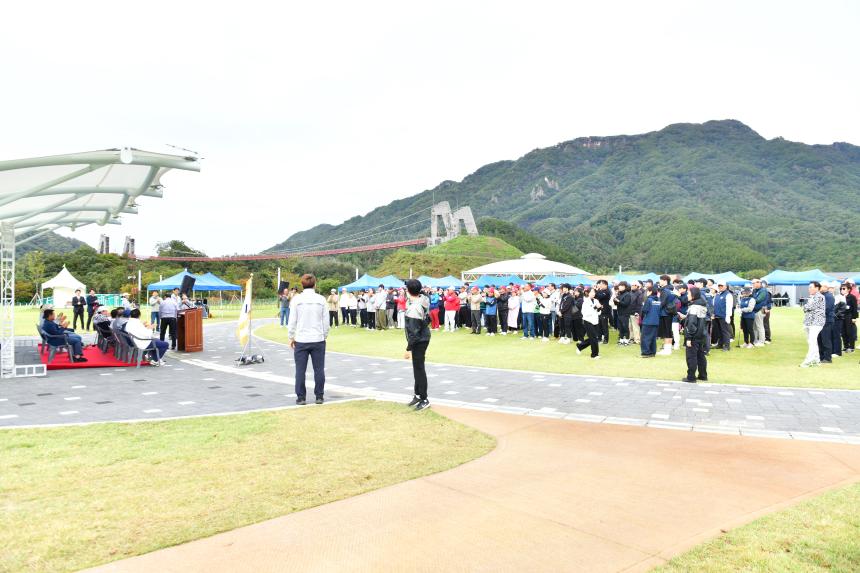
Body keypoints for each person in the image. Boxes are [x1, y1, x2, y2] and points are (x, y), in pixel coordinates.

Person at [288, 274, 330, 405]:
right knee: (319, 369)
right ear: (315, 284)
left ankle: (301, 397)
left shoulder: (296, 300)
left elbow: (292, 320)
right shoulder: (321, 299)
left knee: (300, 370)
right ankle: (319, 396)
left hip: (301, 339)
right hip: (318, 339)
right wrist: (324, 335)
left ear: (302, 284)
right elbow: (326, 321)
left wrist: (291, 336)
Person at [402, 278, 431, 411]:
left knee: (419, 369)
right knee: (417, 368)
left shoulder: (414, 307)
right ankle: (418, 394)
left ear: (408, 290)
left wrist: (408, 349)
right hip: (423, 336)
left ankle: (424, 398)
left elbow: (414, 332)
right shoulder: (423, 298)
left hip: (419, 339)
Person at [681, 287, 708, 383]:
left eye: (688, 294)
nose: (687, 296)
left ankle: (691, 377)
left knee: (691, 357)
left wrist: (689, 337)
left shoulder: (693, 307)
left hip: (694, 336)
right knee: (701, 356)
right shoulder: (703, 306)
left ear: (693, 295)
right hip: (702, 335)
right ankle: (703, 375)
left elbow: (692, 324)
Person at [801, 281, 826, 367]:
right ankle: (816, 360)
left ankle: (809, 360)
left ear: (817, 288)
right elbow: (806, 308)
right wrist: (806, 307)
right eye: (809, 287)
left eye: (811, 287)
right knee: (812, 342)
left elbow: (809, 307)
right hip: (809, 322)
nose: (809, 289)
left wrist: (806, 307)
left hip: (816, 322)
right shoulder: (812, 297)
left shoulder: (820, 297)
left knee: (812, 341)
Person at [576, 287, 601, 359]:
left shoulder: (596, 300)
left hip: (595, 321)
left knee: (593, 337)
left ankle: (580, 346)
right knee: (594, 338)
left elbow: (599, 312)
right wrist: (594, 307)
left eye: (594, 292)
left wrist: (599, 308)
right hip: (588, 321)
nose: (593, 293)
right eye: (592, 292)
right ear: (588, 293)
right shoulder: (585, 301)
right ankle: (594, 354)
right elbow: (584, 313)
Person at [657, 275, 677, 355]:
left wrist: (656, 309)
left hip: (665, 313)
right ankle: (667, 348)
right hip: (669, 312)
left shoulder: (665, 290)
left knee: (666, 332)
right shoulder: (671, 289)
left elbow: (662, 302)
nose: (659, 282)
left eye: (660, 280)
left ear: (665, 281)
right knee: (668, 331)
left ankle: (667, 349)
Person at [712, 280, 734, 351]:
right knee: (719, 331)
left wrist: (728, 316)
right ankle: (720, 344)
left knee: (725, 332)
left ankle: (727, 346)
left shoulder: (728, 294)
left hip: (724, 316)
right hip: (717, 315)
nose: (720, 287)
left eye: (721, 286)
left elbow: (729, 306)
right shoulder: (717, 294)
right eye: (719, 286)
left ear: (725, 286)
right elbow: (714, 305)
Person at [640, 286, 661, 357]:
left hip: (648, 321)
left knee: (645, 337)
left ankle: (646, 352)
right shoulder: (659, 300)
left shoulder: (649, 300)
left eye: (647, 291)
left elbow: (644, 310)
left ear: (650, 292)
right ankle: (652, 352)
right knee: (652, 338)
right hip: (656, 321)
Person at [818, 282, 835, 363]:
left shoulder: (829, 296)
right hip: (822, 320)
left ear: (825, 287)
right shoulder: (823, 295)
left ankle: (828, 358)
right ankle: (821, 357)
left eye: (820, 286)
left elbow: (827, 309)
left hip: (827, 321)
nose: (819, 288)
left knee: (826, 339)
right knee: (820, 339)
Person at [841, 283, 857, 353]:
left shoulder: (852, 297)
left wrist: (854, 317)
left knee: (849, 332)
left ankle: (851, 347)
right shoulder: (840, 297)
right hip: (842, 316)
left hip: (849, 316)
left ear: (849, 289)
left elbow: (855, 308)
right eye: (841, 288)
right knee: (843, 332)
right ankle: (846, 346)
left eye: (844, 288)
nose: (842, 290)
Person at [751, 278, 767, 347]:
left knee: (760, 326)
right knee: (754, 326)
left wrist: (751, 300)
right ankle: (755, 340)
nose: (753, 285)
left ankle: (761, 341)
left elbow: (758, 300)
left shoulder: (763, 290)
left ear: (758, 283)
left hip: (760, 310)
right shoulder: (755, 290)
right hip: (754, 310)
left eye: (753, 283)